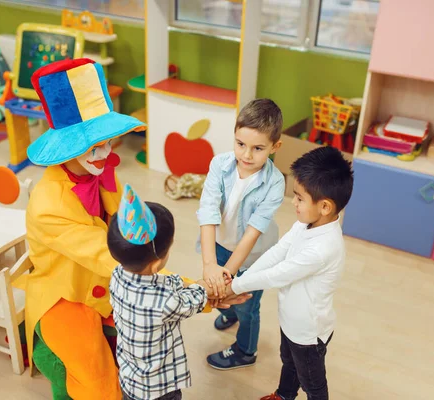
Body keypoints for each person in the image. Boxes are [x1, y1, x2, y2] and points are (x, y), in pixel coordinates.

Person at [16, 58, 242, 400]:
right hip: (65, 295)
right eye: (94, 146)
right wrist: (203, 290)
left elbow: (132, 240)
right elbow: (118, 255)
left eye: (108, 141)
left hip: (111, 283)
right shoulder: (49, 205)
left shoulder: (100, 173)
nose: (106, 153)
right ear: (69, 147)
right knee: (99, 388)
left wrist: (205, 292)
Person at [225, 147, 354, 400]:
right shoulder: (306, 224)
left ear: (325, 206)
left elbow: (277, 275)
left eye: (299, 198)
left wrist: (234, 287)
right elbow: (278, 252)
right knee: (289, 362)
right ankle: (284, 395)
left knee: (312, 384)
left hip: (308, 333)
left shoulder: (323, 248)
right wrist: (240, 280)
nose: (293, 202)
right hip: (291, 321)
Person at [109, 185, 250, 400]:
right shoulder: (165, 303)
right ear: (157, 263)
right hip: (159, 389)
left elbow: (168, 284)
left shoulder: (117, 275)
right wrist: (208, 287)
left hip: (130, 380)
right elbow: (193, 299)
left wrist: (199, 288)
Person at [197, 98, 285, 369]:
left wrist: (227, 275)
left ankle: (246, 350)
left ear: (274, 147)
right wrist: (211, 265)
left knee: (248, 305)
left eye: (258, 148)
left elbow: (252, 233)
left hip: (252, 256)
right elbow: (208, 212)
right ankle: (230, 310)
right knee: (226, 295)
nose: (247, 155)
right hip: (220, 244)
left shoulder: (275, 183)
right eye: (240, 144)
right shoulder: (219, 165)